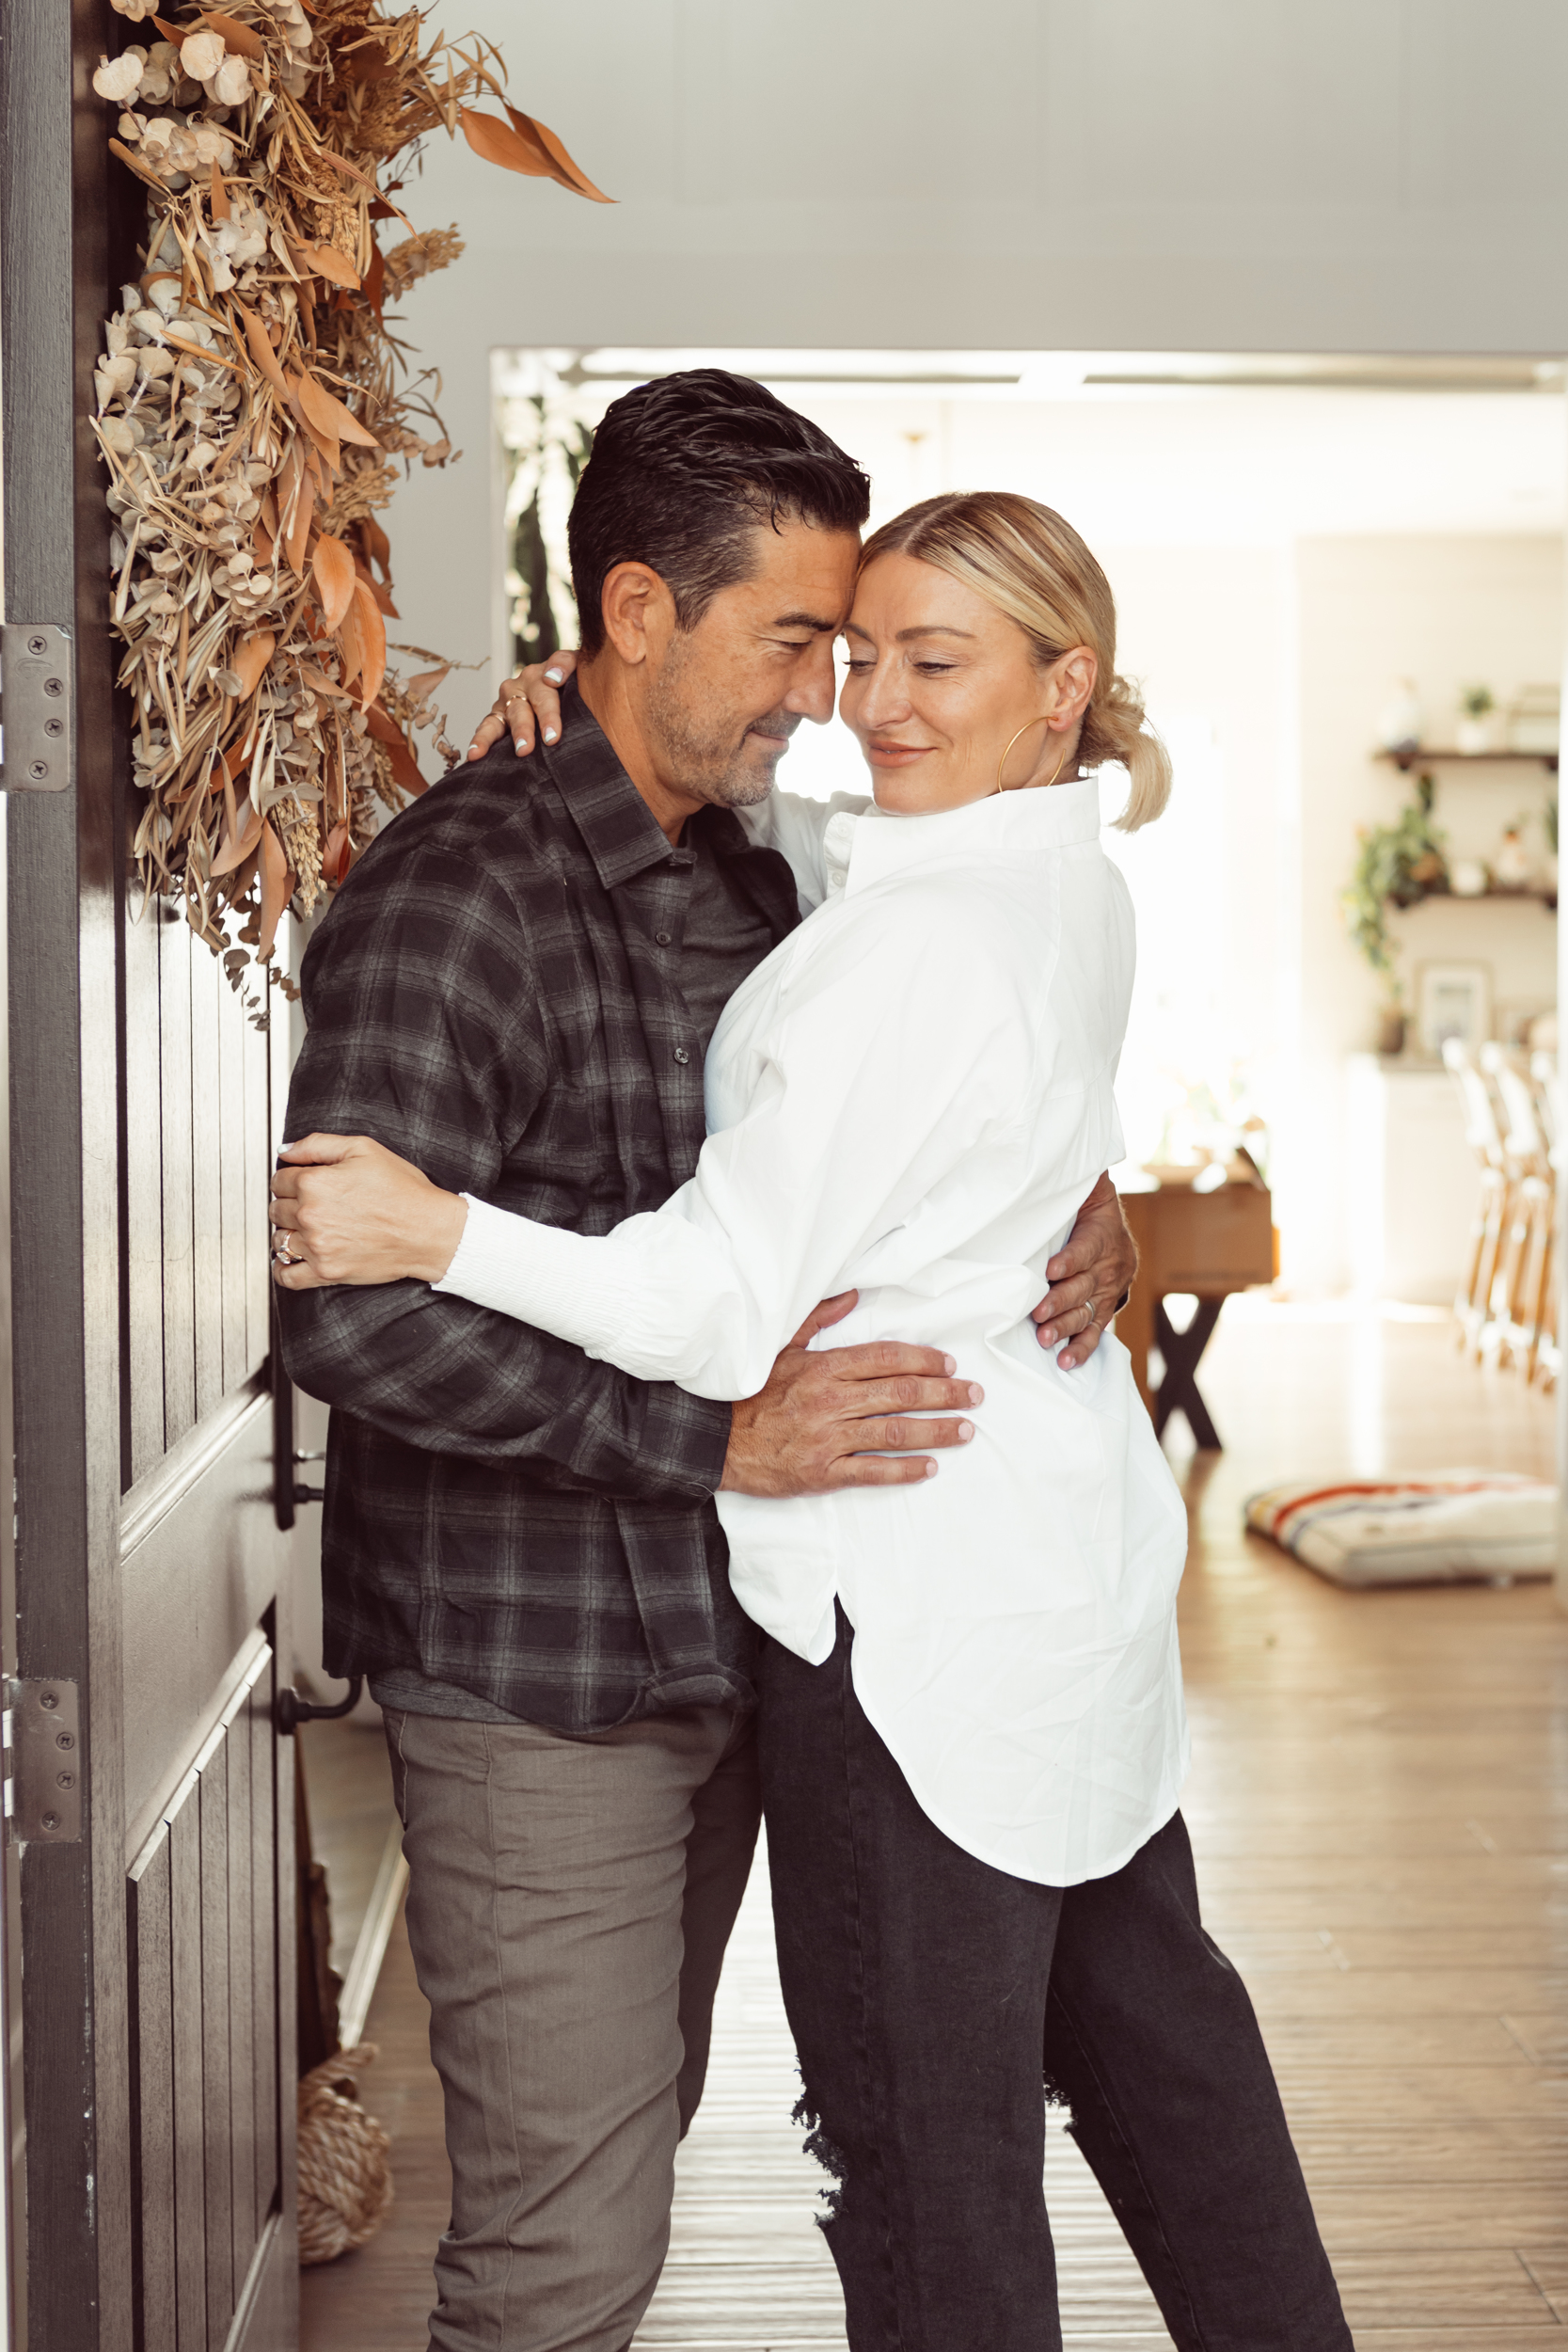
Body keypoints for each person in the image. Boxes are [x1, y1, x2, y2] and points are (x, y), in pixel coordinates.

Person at [274, 487, 1353, 2352]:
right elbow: (845, 861)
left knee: (929, 2171)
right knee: (1170, 2064)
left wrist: (432, 1224)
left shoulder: (910, 944)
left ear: (1062, 683)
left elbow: (710, 1306)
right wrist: (579, 701)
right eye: (845, 652)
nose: (866, 703)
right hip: (1060, 1590)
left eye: (927, 660)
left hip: (906, 1616)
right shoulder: (1053, 875)